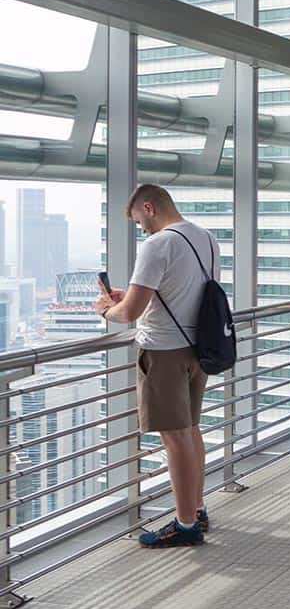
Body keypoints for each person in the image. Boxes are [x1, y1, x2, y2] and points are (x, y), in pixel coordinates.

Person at [94, 184, 220, 547]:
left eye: (138, 221)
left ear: (148, 207)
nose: (141, 229)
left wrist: (106, 308)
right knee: (191, 431)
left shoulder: (158, 243)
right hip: (197, 349)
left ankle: (184, 526)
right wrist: (132, 296)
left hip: (164, 352)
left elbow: (130, 312)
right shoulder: (206, 238)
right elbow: (181, 293)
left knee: (175, 438)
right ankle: (196, 509)